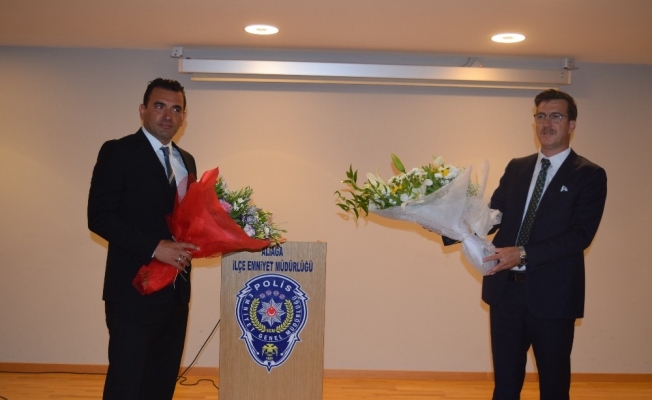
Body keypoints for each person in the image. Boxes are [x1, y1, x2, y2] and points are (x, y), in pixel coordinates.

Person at [480, 89, 607, 400]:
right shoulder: (517, 167)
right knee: (505, 385)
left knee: (553, 386)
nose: (547, 123)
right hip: (505, 293)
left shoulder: (589, 174)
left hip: (554, 296)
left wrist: (523, 254)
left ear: (571, 125)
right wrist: (448, 224)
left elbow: (580, 235)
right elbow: (493, 217)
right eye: (541, 116)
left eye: (556, 116)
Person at [88, 78, 199, 399]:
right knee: (127, 381)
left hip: (176, 292)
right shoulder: (118, 151)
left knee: (161, 381)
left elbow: (187, 219)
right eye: (159, 106)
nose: (168, 115)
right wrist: (154, 248)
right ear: (143, 110)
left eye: (176, 109)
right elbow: (100, 216)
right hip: (133, 291)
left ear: (184, 117)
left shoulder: (187, 160)